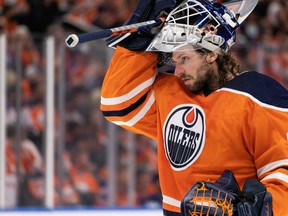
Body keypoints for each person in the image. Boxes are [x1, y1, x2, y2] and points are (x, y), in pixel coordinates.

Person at [100, 0, 288, 215]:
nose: (177, 70)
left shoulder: (260, 97)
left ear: (211, 53)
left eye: (185, 58)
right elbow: (117, 105)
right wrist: (137, 47)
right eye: (175, 60)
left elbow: (282, 175)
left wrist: (256, 210)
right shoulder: (173, 92)